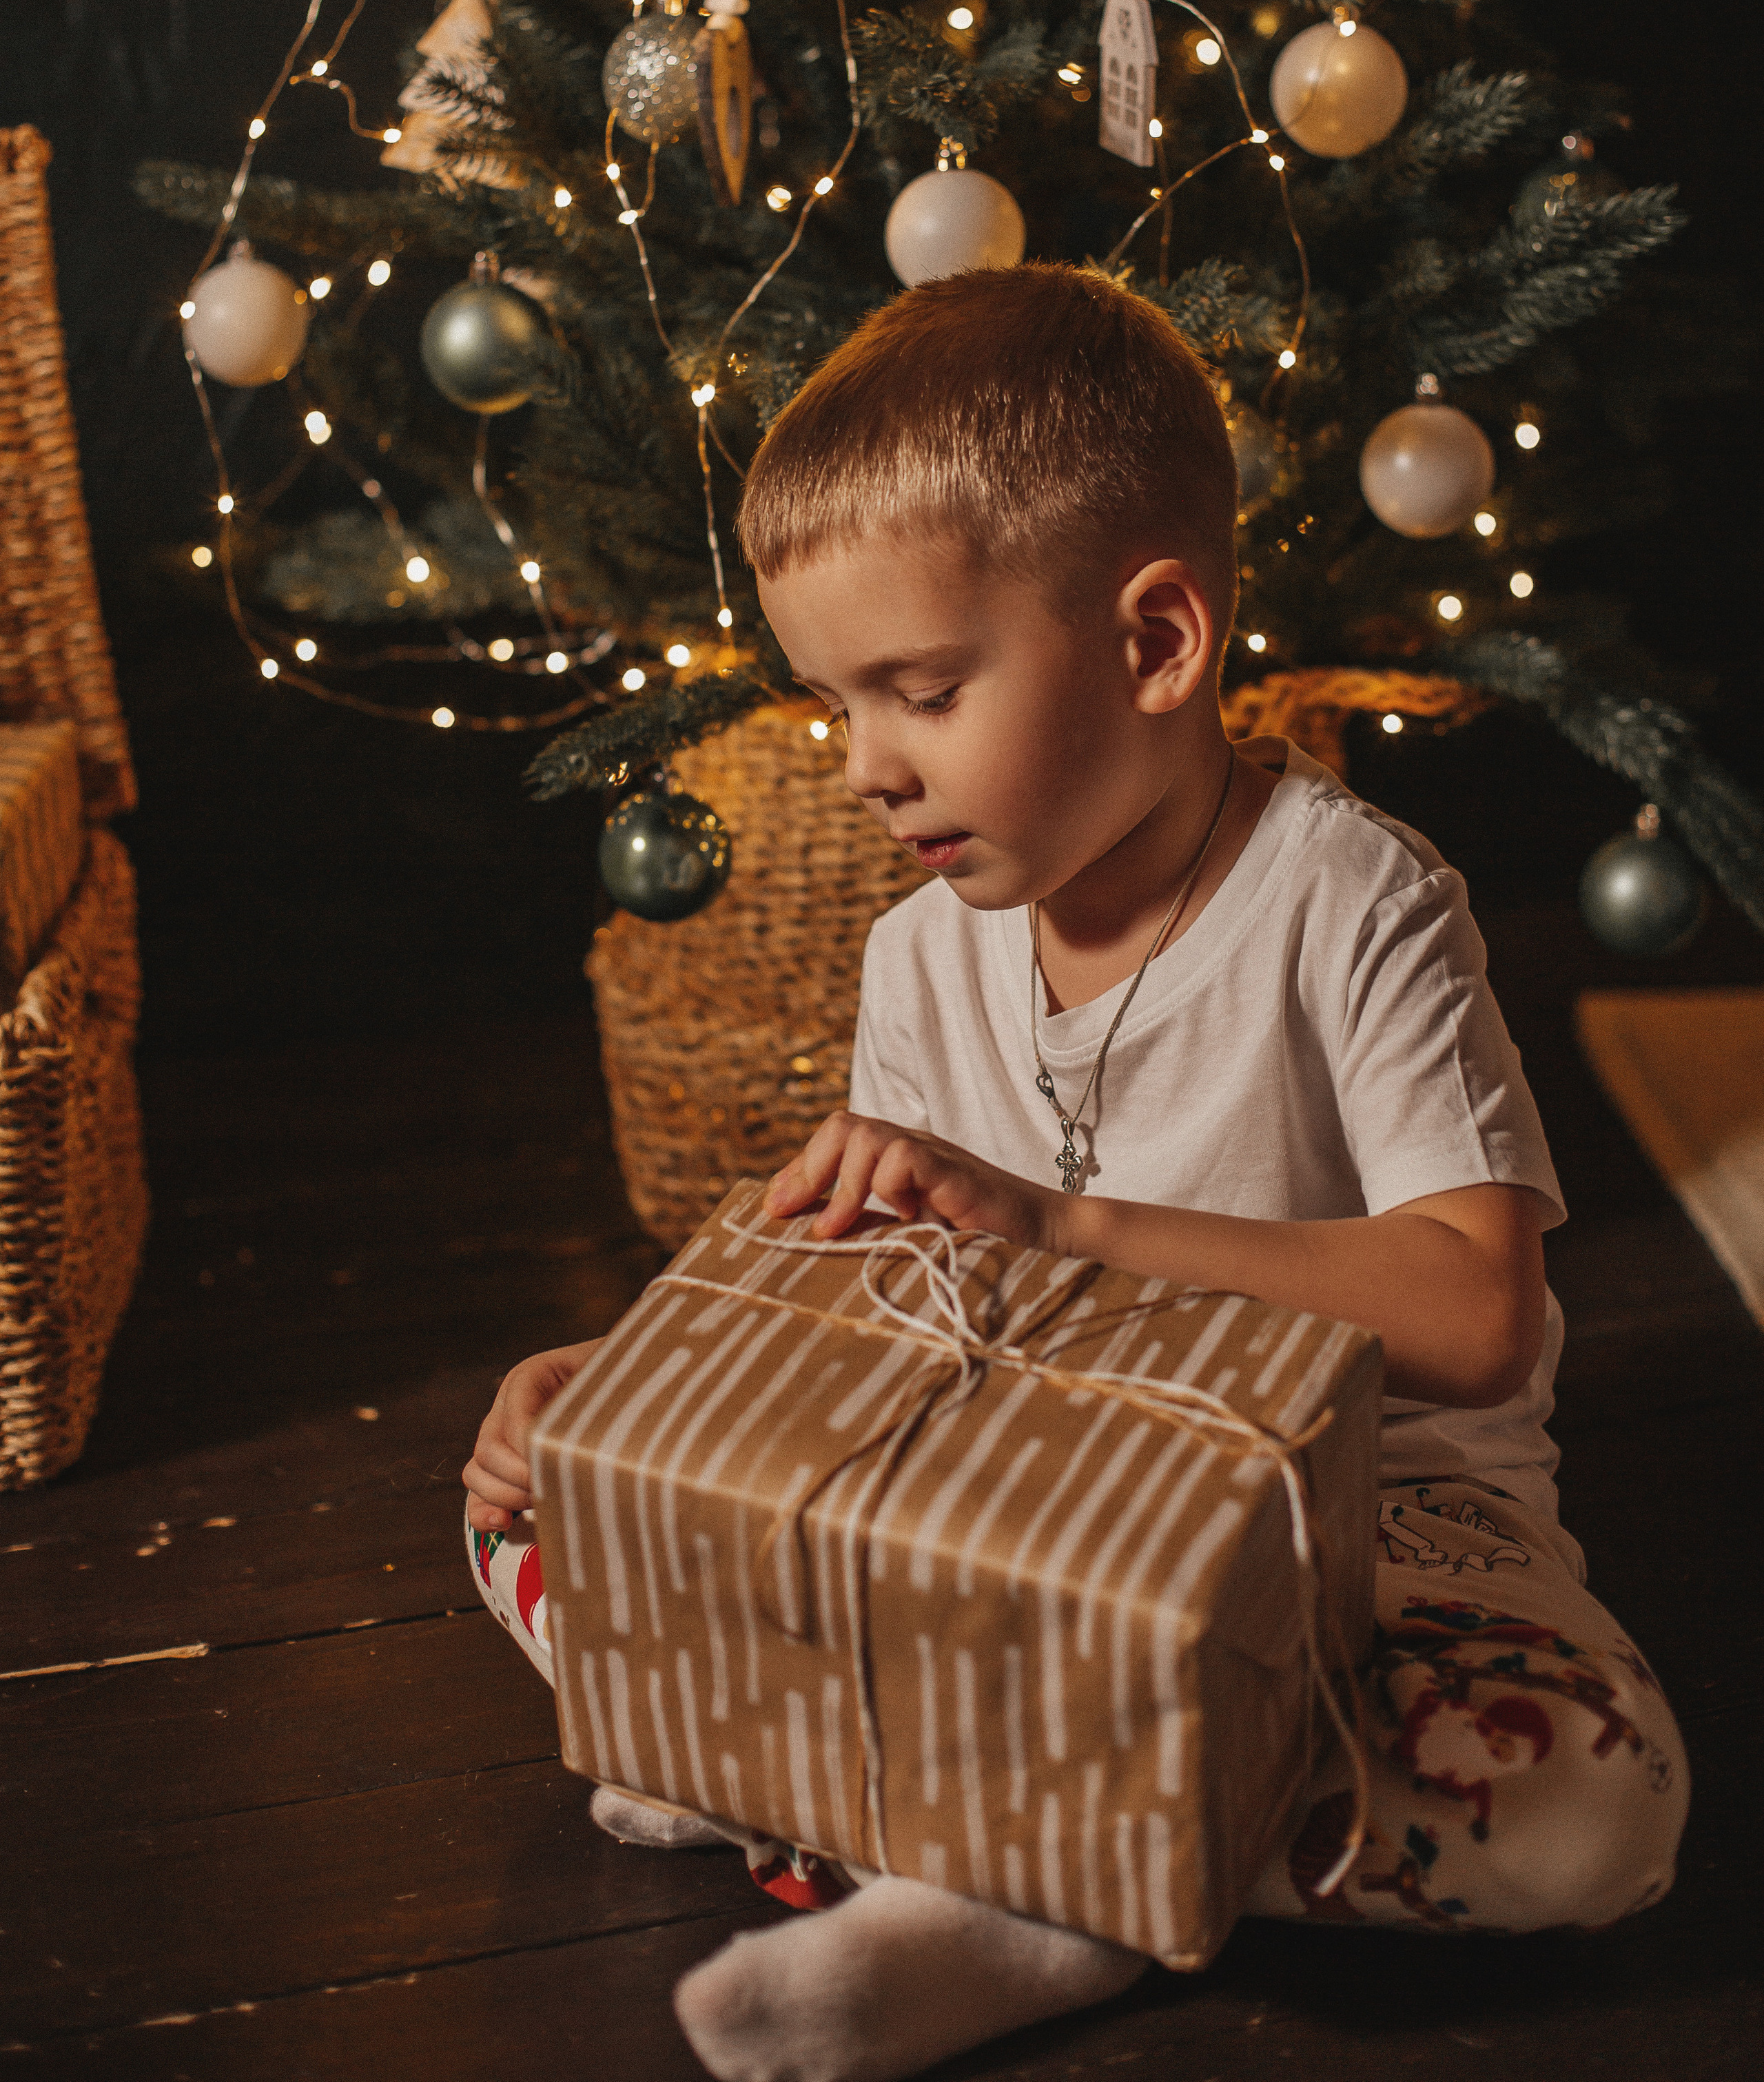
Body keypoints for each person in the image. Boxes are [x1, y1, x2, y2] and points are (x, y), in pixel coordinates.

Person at [464, 265, 1687, 2082]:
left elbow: (1477, 1320)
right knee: (526, 1515)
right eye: (837, 707)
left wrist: (1061, 1223)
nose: (872, 769)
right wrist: (635, 1409)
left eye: (923, 691)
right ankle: (1063, 1836)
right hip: (1017, 1548)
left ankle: (966, 1865)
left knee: (1601, 1812)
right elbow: (870, 1321)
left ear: (1156, 642)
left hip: (1371, 1545)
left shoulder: (1360, 905)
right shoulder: (918, 959)